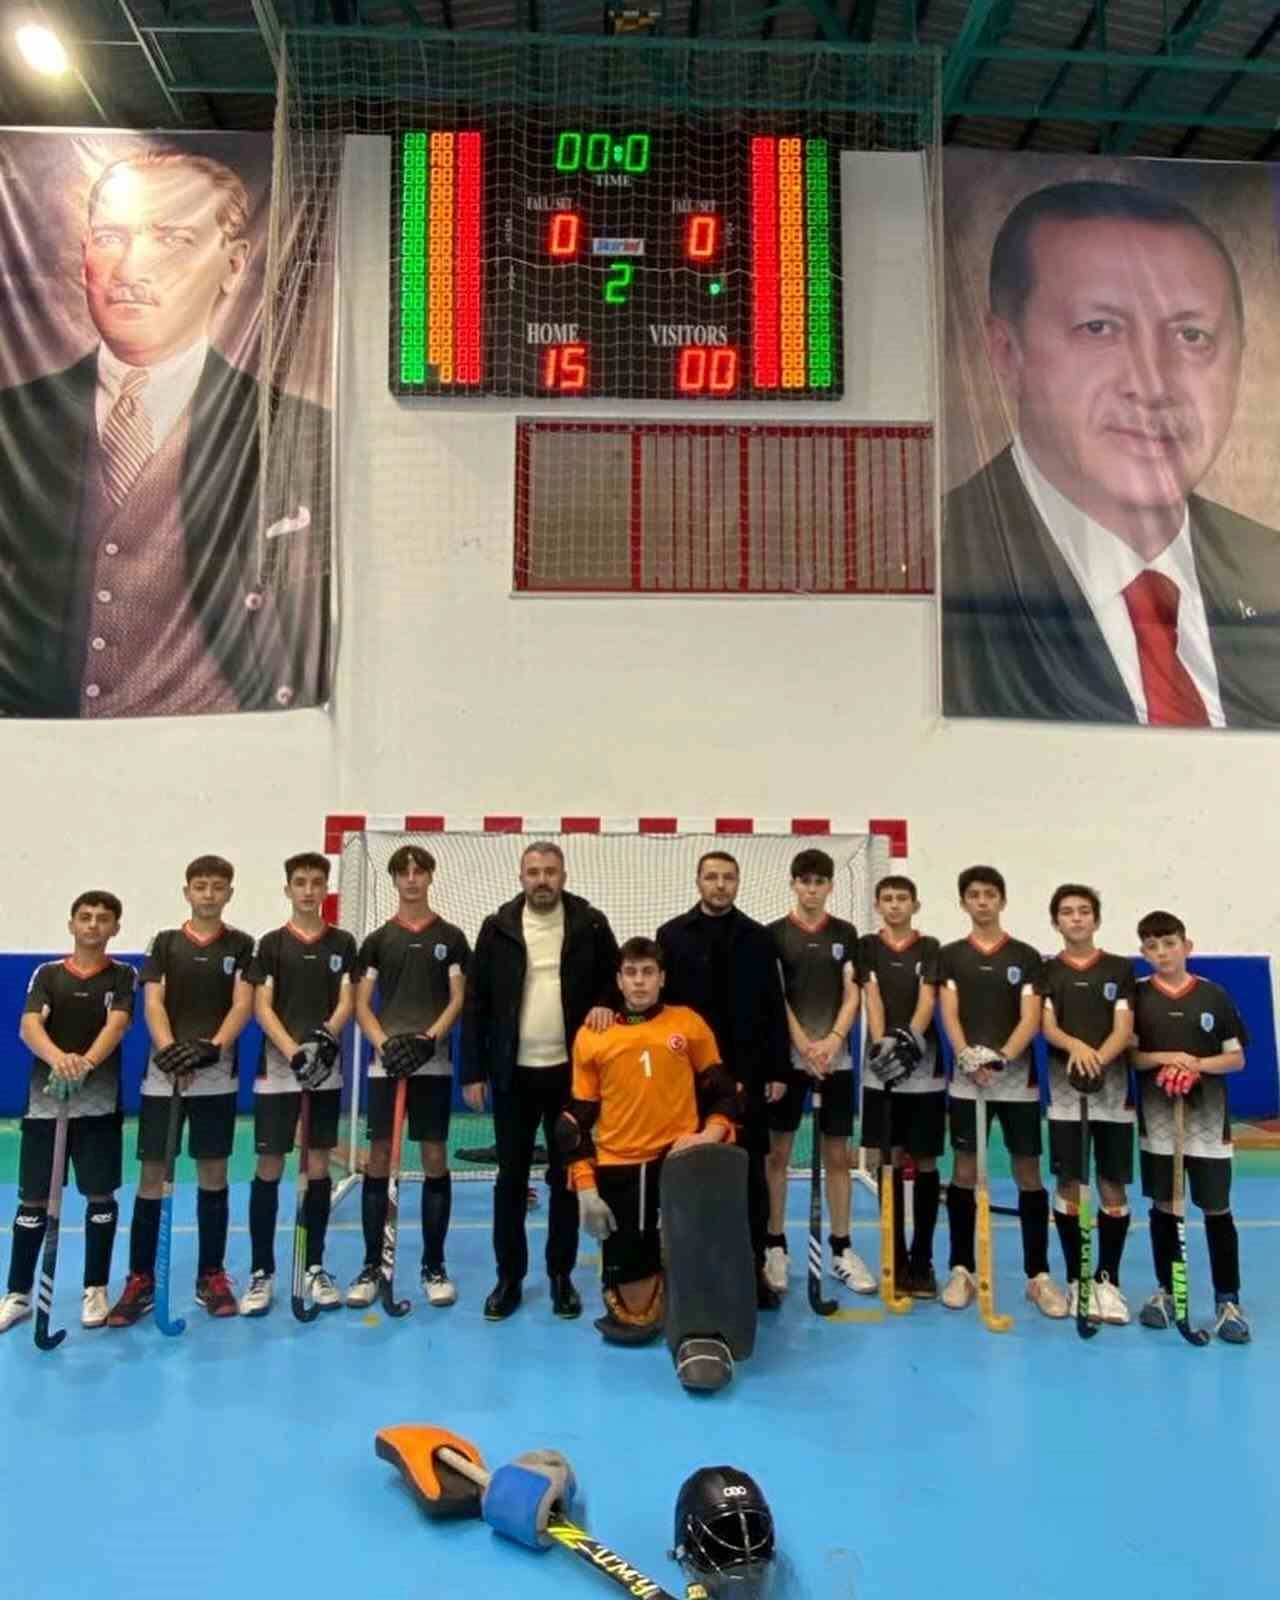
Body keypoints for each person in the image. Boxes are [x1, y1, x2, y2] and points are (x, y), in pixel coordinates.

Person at [0, 146, 329, 718]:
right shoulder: (13, 424)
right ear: (84, 256)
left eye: (172, 239)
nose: (131, 270)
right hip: (43, 746)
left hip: (225, 745)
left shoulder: (300, 436)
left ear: (233, 265)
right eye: (111, 237)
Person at [942, 179, 1280, 727]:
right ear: (1007, 352)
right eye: (1099, 329)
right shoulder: (933, 563)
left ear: (1241, 357)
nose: (1152, 385)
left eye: (1191, 336)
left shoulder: (1270, 569)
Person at [461, 842, 619, 1322]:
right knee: (510, 1180)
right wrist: (473, 1070)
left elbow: (617, 980)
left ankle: (560, 1276)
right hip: (513, 1075)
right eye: (534, 872)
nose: (542, 880)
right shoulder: (497, 928)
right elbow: (476, 1002)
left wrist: (605, 1002)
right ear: (521, 877)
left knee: (566, 1178)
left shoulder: (591, 924)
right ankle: (509, 1279)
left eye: (550, 871)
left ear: (563, 876)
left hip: (571, 1077)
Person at [559, 938, 739, 1343]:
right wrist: (586, 1189)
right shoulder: (593, 1035)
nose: (639, 981)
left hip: (680, 1159)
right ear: (619, 981)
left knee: (697, 1266)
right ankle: (648, 1276)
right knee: (637, 1316)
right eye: (631, 973)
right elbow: (573, 1123)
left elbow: (725, 1092)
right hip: (620, 1165)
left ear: (662, 978)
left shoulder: (687, 1023)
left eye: (647, 972)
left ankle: (681, 1282)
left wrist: (709, 1135)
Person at [108, 855, 254, 1325]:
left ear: (229, 893)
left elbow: (242, 1004)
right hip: (164, 1077)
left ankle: (211, 1275)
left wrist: (211, 1048)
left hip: (215, 1076)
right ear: (187, 892)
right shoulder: (165, 943)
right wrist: (171, 1051)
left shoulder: (242, 944)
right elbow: (153, 1002)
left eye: (218, 887)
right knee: (153, 1175)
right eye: (201, 886)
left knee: (213, 1172)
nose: (209, 894)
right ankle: (140, 1279)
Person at [657, 852, 789, 1308]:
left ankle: (752, 1272)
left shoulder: (759, 938)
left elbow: (773, 1006)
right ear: (698, 882)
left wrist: (777, 1069)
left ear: (738, 882)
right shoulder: (671, 936)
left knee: (749, 1178)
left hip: (747, 1076)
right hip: (688, 1080)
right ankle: (688, 1273)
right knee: (688, 1174)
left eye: (728, 878)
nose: (719, 885)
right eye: (711, 877)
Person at [0, 892, 136, 1333]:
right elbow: (29, 1025)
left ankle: (95, 1288)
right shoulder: (48, 974)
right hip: (46, 1103)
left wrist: (87, 1064)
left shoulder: (123, 975)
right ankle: (18, 1294)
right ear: (71, 924)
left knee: (100, 1195)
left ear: (115, 928)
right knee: (33, 1200)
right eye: (85, 917)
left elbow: (117, 1025)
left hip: (99, 1104)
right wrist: (60, 1060)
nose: (93, 925)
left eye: (103, 919)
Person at [938, 865, 1067, 1318]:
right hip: (966, 1079)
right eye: (974, 894)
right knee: (964, 1169)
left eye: (990, 894)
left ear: (1002, 900)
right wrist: (966, 1056)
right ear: (963, 902)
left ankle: (1038, 1276)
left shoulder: (1026, 956)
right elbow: (949, 1012)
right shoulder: (951, 956)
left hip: (1016, 1082)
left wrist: (1001, 1059)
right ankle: (962, 1270)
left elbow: (1031, 1017)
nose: (982, 901)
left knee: (1027, 1172)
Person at [348, 845, 469, 1310]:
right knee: (380, 1157)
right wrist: (385, 1045)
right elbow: (361, 1003)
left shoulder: (451, 937)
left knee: (434, 1155)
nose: (412, 879)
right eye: (404, 873)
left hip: (432, 1063)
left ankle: (433, 1265)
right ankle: (371, 1265)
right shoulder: (378, 940)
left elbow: (458, 998)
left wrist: (427, 1039)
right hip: (387, 1064)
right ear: (395, 880)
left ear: (430, 877)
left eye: (420, 871)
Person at [240, 852, 357, 1316]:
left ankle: (314, 1266)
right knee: (269, 1164)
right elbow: (261, 1006)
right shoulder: (271, 944)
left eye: (316, 882)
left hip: (324, 1069)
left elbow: (347, 1001)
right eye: (300, 882)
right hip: (278, 1069)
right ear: (287, 889)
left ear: (326, 888)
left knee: (318, 1166)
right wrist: (293, 1051)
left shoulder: (343, 942)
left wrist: (324, 1040)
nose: (309, 890)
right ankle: (262, 1271)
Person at [1131, 910, 1250, 1343]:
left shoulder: (1213, 996)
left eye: (1170, 943)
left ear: (1187, 946)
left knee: (1216, 1208)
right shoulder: (1138, 996)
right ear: (1144, 953)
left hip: (1207, 1123)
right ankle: (1167, 1292)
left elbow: (1236, 1058)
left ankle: (1227, 1301)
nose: (1162, 953)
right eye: (1153, 946)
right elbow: (1132, 1056)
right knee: (1165, 1206)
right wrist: (1169, 1059)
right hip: (1159, 1123)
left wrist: (1196, 1065)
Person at [763, 849, 872, 1297]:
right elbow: (777, 997)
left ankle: (842, 1249)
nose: (812, 889)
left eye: (819, 881)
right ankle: (774, 1245)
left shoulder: (846, 934)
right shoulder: (774, 935)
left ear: (830, 886)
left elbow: (852, 994)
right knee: (778, 1154)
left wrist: (832, 1040)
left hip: (835, 1060)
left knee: (837, 1155)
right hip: (789, 1060)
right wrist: (803, 1044)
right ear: (793, 884)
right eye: (804, 881)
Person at [1037, 884, 1137, 1324]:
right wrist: (1076, 1046)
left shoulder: (1119, 968)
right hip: (1065, 1097)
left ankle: (1107, 1280)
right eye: (1066, 912)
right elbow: (1047, 1026)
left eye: (1083, 911)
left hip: (1113, 1095)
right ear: (1055, 921)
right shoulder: (1048, 971)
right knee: (1070, 1183)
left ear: (1096, 919)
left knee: (1112, 1184)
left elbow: (1124, 1027)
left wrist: (1098, 1058)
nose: (1075, 918)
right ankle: (1077, 1278)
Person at [858, 874, 944, 1298]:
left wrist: (909, 1041)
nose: (895, 905)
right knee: (887, 1160)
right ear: (878, 905)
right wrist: (883, 1045)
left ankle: (922, 1259)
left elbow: (928, 999)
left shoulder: (929, 947)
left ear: (915, 904)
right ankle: (895, 1256)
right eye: (888, 899)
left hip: (924, 1070)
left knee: (925, 1160)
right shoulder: (867, 946)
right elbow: (871, 997)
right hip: (881, 1070)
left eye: (902, 898)